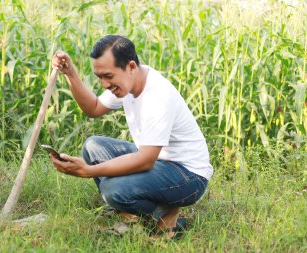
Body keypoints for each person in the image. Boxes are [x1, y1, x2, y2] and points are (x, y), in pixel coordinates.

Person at [50, 35, 213, 239]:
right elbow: (93, 108)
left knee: (112, 190)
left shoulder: (158, 96)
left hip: (187, 175)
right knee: (93, 146)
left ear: (131, 66)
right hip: (157, 161)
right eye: (99, 77)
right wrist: (70, 73)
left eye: (108, 76)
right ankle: (138, 212)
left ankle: (164, 216)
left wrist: (88, 171)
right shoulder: (129, 82)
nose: (104, 84)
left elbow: (145, 160)